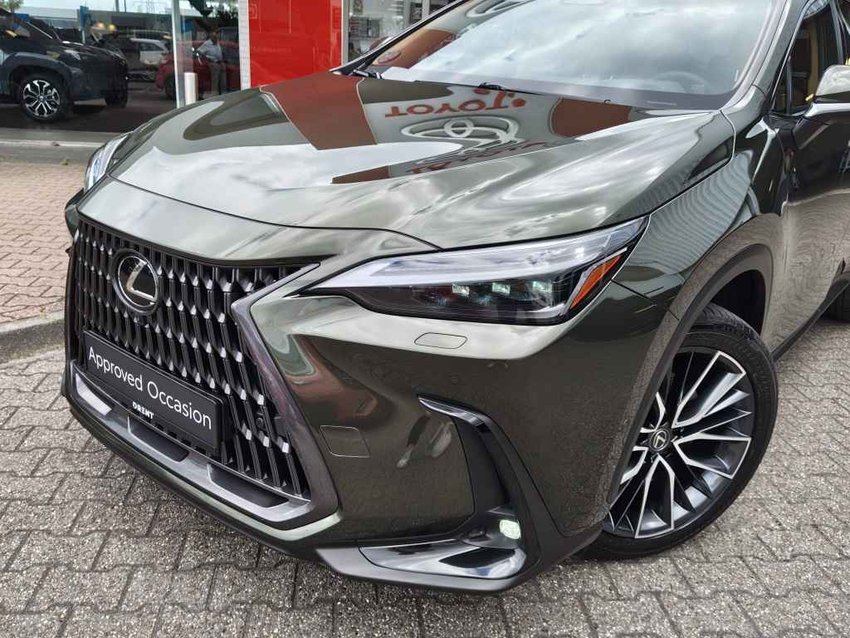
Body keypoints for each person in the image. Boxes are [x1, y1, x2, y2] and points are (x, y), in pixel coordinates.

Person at [197, 28, 225, 96]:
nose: (216, 37)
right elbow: (199, 51)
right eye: (214, 36)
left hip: (220, 62)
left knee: (222, 80)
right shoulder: (207, 43)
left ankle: (222, 94)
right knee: (215, 80)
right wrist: (207, 58)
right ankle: (215, 94)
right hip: (213, 63)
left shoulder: (218, 42)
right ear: (211, 36)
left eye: (216, 35)